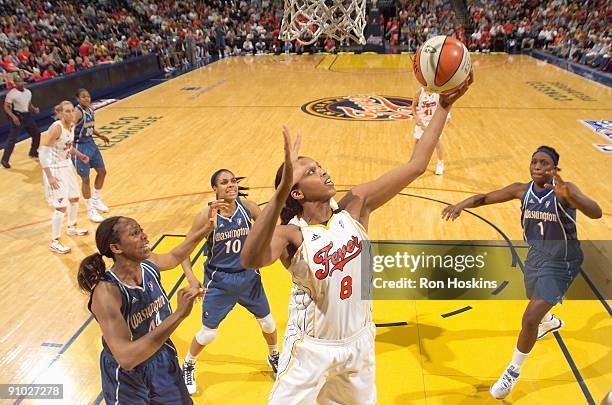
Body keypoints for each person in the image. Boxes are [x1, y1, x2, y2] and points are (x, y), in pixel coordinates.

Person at [241, 75, 472, 404]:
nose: (321, 172)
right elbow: (250, 259)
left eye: (319, 167)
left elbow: (417, 164)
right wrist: (277, 195)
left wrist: (445, 106)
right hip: (310, 349)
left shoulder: (355, 205)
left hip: (359, 344)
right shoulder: (291, 233)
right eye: (310, 172)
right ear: (296, 191)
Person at [441, 146, 602, 399]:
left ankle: (512, 372)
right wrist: (461, 204)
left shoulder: (565, 190)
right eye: (534, 162)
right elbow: (486, 197)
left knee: (529, 319)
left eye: (544, 163)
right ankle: (549, 323)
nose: (537, 166)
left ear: (554, 169)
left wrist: (572, 196)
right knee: (532, 301)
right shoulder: (521, 190)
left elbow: (596, 212)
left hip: (563, 262)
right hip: (537, 257)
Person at [77, 208, 226, 405]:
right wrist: (179, 314)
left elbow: (174, 257)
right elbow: (127, 357)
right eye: (135, 233)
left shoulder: (147, 264)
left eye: (141, 230)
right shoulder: (107, 293)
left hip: (161, 358)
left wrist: (205, 230)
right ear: (116, 248)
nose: (145, 236)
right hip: (127, 377)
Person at [181, 169, 279, 395]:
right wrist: (192, 278)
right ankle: (188, 365)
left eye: (233, 181)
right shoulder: (206, 216)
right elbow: (183, 252)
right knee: (207, 334)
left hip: (248, 276)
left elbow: (270, 228)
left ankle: (274, 355)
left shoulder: (248, 208)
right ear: (215, 189)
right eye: (224, 182)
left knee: (268, 324)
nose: (231, 185)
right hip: (220, 281)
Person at [40, 101, 90, 254]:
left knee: (74, 198)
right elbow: (43, 152)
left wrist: (80, 155)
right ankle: (55, 241)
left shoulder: (71, 126)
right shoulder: (57, 127)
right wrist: (50, 177)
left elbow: (67, 145)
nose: (71, 114)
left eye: (72, 111)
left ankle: (72, 227)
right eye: (67, 111)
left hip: (66, 166)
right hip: (54, 169)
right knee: (61, 206)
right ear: (60, 113)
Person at [73, 88, 111, 223]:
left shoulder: (90, 110)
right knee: (86, 180)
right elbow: (68, 130)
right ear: (77, 99)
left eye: (88, 96)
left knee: (102, 172)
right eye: (83, 97)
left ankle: (96, 199)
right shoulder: (77, 112)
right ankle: (90, 210)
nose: (86, 99)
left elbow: (90, 127)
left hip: (91, 144)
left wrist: (100, 135)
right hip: (80, 146)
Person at [2, 76, 41, 168]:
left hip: (27, 116)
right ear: (14, 83)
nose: (20, 83)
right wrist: (13, 117)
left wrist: (34, 109)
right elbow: (6, 107)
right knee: (12, 139)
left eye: (21, 81)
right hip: (18, 116)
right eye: (18, 81)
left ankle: (33, 151)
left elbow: (28, 104)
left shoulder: (28, 92)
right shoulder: (12, 94)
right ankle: (4, 160)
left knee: (36, 134)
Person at [411, 86, 450, 175]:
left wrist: (448, 116)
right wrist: (416, 118)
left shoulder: (438, 93)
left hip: (434, 121)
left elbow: (445, 104)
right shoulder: (419, 92)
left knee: (437, 143)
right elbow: (413, 106)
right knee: (417, 142)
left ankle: (440, 163)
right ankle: (412, 163)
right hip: (422, 121)